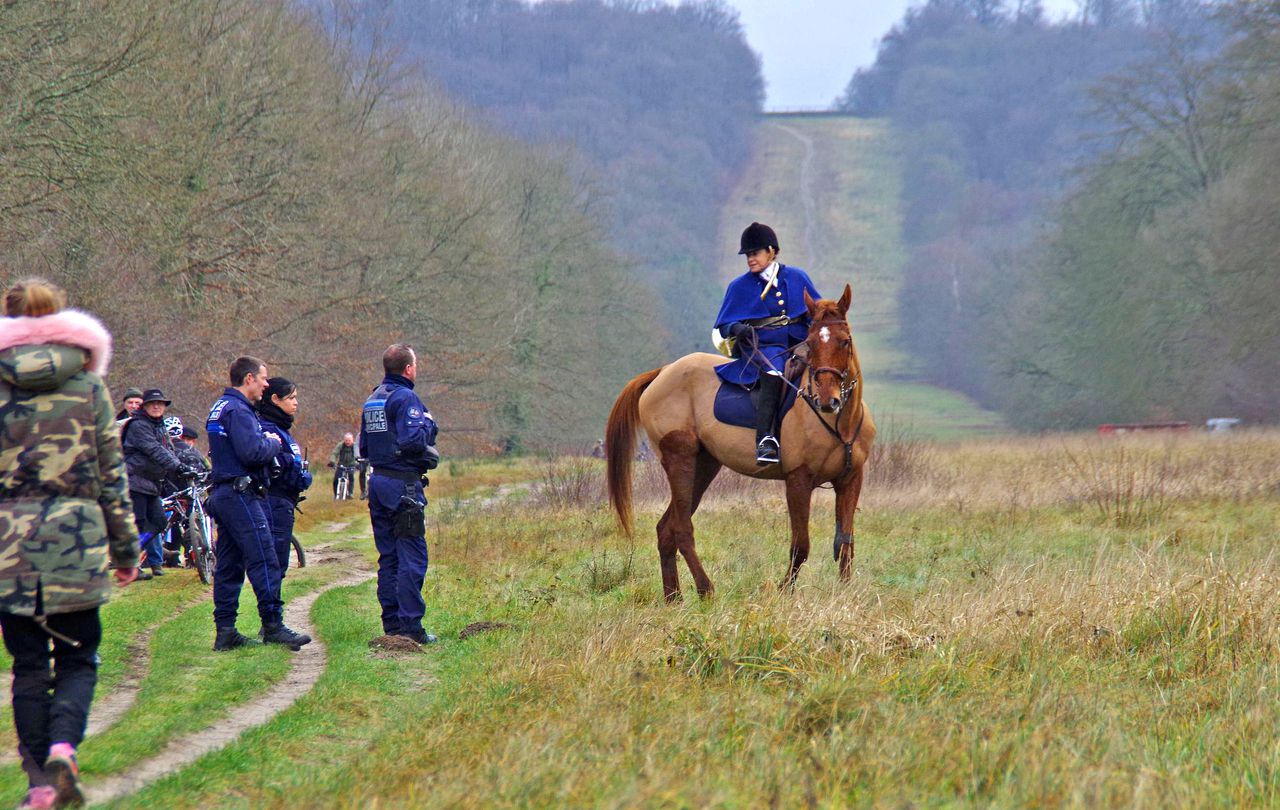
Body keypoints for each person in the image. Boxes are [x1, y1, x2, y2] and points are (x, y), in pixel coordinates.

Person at [0, 278, 140, 810]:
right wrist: (126, 550)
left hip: (9, 551)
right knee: (79, 658)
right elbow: (112, 478)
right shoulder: (87, 387)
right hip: (76, 545)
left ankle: (38, 787)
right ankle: (64, 748)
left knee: (29, 666)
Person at [205, 356, 311, 652]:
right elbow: (252, 452)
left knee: (229, 563)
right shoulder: (238, 410)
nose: (266, 384)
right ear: (249, 378)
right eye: (263, 378)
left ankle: (225, 630)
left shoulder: (220, 408)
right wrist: (272, 443)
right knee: (264, 556)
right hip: (241, 493)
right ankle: (273, 625)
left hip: (224, 493)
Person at [712, 222, 821, 465]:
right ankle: (766, 440)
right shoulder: (739, 286)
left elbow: (818, 310)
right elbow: (723, 325)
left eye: (755, 253)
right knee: (774, 369)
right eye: (748, 255)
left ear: (771, 251)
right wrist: (737, 327)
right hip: (763, 345)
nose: (750, 259)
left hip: (800, 341)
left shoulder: (797, 277)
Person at [359, 344, 439, 645]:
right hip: (402, 485)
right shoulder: (406, 397)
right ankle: (411, 627)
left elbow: (364, 448)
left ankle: (391, 624)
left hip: (377, 482)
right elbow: (413, 441)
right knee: (412, 555)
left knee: (389, 556)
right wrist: (428, 426)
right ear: (408, 368)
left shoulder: (373, 400)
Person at [123, 389, 197, 579]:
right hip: (134, 481)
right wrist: (177, 467)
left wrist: (183, 467)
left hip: (152, 483)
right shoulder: (138, 425)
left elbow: (168, 450)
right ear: (144, 406)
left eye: (160, 403)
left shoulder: (159, 426)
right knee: (138, 524)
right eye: (152, 403)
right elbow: (154, 450)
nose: (157, 406)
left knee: (159, 522)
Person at [257, 377, 312, 576]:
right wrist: (293, 468)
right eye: (291, 398)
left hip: (286, 502)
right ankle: (270, 606)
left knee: (279, 564)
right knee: (274, 564)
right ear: (275, 399)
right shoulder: (268, 429)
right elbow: (278, 467)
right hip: (274, 502)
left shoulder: (282, 429)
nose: (296, 403)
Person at [328, 432, 359, 498]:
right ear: (344, 440)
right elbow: (334, 453)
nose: (347, 442)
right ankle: (336, 494)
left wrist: (358, 463)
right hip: (341, 465)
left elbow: (357, 455)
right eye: (346, 440)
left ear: (352, 440)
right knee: (336, 479)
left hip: (351, 465)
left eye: (349, 440)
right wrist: (332, 461)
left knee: (351, 477)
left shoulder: (355, 446)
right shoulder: (340, 445)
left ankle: (350, 493)